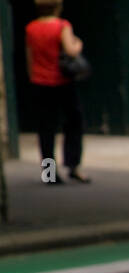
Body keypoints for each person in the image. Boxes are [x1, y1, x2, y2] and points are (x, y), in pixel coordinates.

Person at [25, 0, 88, 184]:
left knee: (46, 129)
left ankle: (50, 175)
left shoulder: (31, 28)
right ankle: (73, 166)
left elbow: (29, 56)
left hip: (40, 83)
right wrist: (79, 43)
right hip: (62, 83)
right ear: (57, 7)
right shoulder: (62, 26)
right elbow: (71, 50)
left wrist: (34, 76)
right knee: (74, 123)